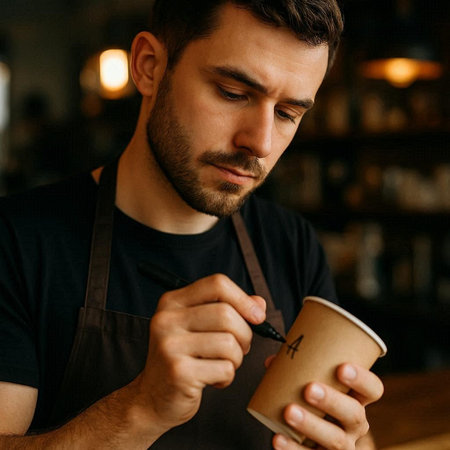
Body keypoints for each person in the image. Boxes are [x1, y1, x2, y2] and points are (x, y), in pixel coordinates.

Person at [0, 1, 384, 448]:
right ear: (148, 67)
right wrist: (140, 408)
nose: (259, 143)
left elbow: (342, 430)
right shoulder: (17, 241)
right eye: (232, 92)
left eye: (287, 114)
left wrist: (351, 441)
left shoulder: (292, 244)